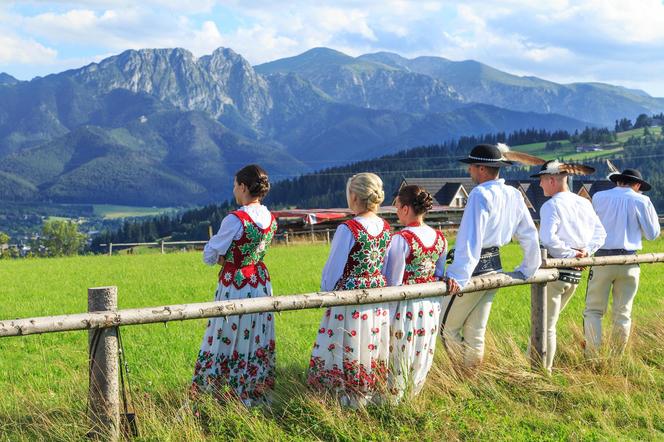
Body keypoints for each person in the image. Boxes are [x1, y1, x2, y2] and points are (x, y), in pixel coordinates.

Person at [442, 144, 541, 370]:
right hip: (496, 267)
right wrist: (530, 266)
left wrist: (458, 275)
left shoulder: (479, 194)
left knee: (446, 328)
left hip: (473, 270)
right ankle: (471, 378)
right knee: (476, 332)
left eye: (472, 168)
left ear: (482, 169)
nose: (470, 172)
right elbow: (528, 232)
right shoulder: (514, 194)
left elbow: (470, 237)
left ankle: (461, 377)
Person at [192, 164, 277, 406]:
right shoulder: (270, 218)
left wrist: (224, 258)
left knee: (226, 332)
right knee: (256, 333)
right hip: (260, 281)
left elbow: (209, 253)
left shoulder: (236, 219)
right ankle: (253, 389)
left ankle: (221, 392)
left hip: (236, 283)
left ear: (242, 186)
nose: (234, 190)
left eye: (234, 185)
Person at [307, 172, 392, 407]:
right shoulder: (385, 227)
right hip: (377, 294)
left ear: (354, 196)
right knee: (371, 342)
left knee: (348, 343)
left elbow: (334, 267)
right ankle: (368, 391)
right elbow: (384, 264)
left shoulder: (349, 228)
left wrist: (326, 292)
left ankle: (344, 395)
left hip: (350, 296)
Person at [531, 160, 606, 373]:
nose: (540, 185)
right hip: (575, 274)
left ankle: (542, 371)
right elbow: (601, 233)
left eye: (542, 180)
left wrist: (571, 254)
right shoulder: (584, 203)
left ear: (552, 179)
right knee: (548, 324)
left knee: (545, 326)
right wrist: (585, 252)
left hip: (555, 273)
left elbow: (547, 238)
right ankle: (540, 368)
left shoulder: (551, 205)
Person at [584, 168, 660, 356]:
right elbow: (652, 234)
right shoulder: (642, 200)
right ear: (637, 185)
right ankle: (616, 357)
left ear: (618, 181)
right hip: (630, 261)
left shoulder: (599, 197)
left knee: (593, 310)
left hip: (603, 259)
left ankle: (592, 356)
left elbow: (588, 227)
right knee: (623, 314)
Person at [382, 185, 447, 401]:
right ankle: (413, 397)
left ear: (407, 208)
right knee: (422, 350)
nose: (397, 211)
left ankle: (393, 401)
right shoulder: (440, 238)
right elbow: (439, 273)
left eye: (398, 207)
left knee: (400, 352)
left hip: (406, 305)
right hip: (430, 305)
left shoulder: (401, 239)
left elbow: (394, 281)